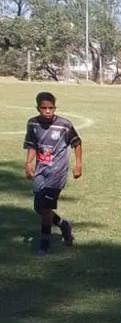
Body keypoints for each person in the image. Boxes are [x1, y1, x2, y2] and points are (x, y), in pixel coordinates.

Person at [24, 91, 83, 255]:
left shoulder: (64, 125)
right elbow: (32, 144)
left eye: (51, 107)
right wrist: (28, 162)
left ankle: (45, 242)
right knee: (39, 208)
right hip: (40, 170)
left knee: (45, 207)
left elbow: (77, 143)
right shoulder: (32, 124)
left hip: (57, 172)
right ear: (38, 108)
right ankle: (64, 224)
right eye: (44, 108)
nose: (48, 111)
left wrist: (78, 165)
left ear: (54, 107)